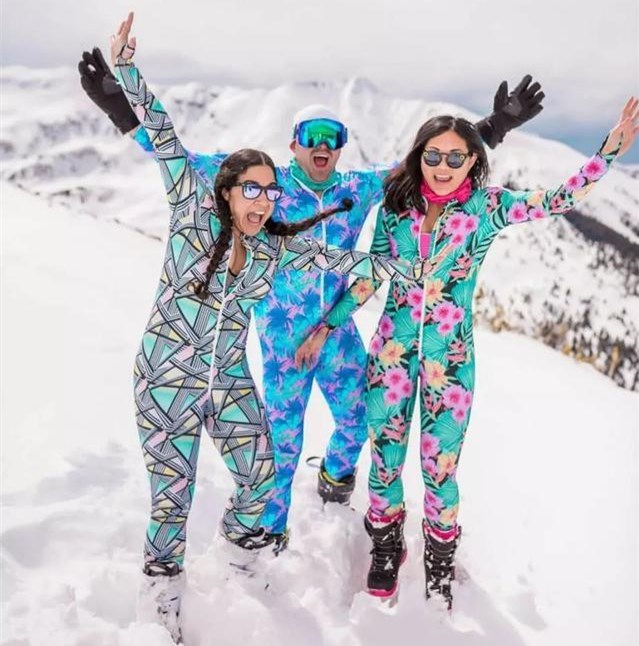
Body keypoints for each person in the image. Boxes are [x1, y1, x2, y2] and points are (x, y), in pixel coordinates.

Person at [78, 34, 545, 537]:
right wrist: (122, 113)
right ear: (294, 143)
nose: (322, 146)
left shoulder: (356, 189)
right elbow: (184, 163)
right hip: (282, 339)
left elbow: (424, 165)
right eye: (311, 135)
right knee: (282, 443)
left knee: (359, 420)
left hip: (336, 332)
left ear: (341, 145)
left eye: (332, 137)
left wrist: (493, 127)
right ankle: (270, 529)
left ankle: (336, 476)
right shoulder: (267, 187)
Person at [108, 12, 442, 641]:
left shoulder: (273, 245)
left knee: (264, 474)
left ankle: (241, 555)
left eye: (268, 193)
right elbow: (167, 138)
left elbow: (342, 258)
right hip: (166, 382)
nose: (263, 201)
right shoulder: (191, 214)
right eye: (252, 190)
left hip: (230, 380)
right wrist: (126, 73)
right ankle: (161, 597)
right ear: (226, 190)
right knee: (172, 499)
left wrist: (406, 265)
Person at [296, 97, 639, 607]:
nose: (443, 166)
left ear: (473, 160)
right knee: (385, 461)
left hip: (451, 363)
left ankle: (440, 557)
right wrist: (328, 325)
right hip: (391, 355)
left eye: (456, 157)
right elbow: (371, 274)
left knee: (439, 469)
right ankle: (386, 545)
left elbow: (557, 200)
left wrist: (607, 152)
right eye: (433, 155)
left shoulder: (486, 207)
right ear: (419, 156)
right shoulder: (396, 208)